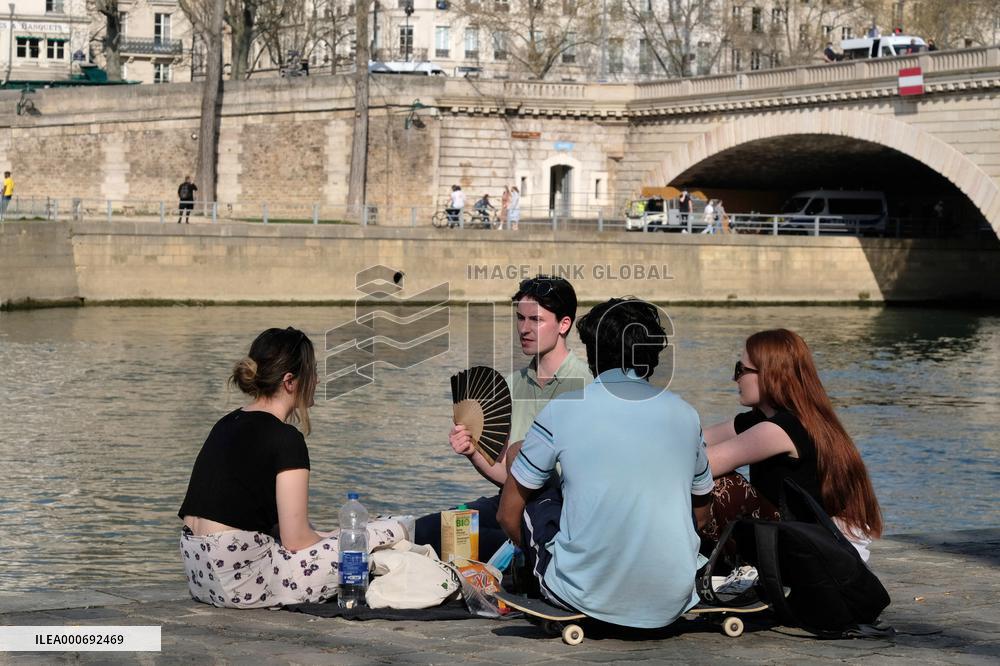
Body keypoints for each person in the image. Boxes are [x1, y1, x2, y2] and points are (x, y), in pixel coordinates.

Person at [498, 298, 714, 628]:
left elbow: (508, 514)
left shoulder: (563, 410)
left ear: (592, 353)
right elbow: (701, 512)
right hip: (672, 598)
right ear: (651, 356)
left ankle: (542, 577)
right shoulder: (687, 415)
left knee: (520, 457)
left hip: (584, 594)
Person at [178, 327, 402, 608]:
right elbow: (295, 541)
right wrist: (342, 537)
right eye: (313, 373)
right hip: (242, 582)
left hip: (200, 576)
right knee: (391, 529)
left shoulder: (226, 423)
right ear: (290, 381)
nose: (318, 381)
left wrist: (325, 535)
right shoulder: (286, 439)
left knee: (347, 534)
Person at [414, 276, 592, 561]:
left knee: (476, 547)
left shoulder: (588, 386)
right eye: (520, 318)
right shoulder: (509, 386)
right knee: (427, 530)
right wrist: (472, 453)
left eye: (536, 320)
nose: (524, 329)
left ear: (564, 324)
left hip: (561, 516)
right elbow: (507, 474)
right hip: (511, 504)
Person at [701, 329, 883, 562]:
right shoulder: (774, 419)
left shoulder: (781, 429)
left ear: (769, 374)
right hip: (803, 536)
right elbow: (693, 439)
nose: (734, 378)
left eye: (741, 369)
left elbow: (699, 465)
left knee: (722, 484)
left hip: (813, 549)